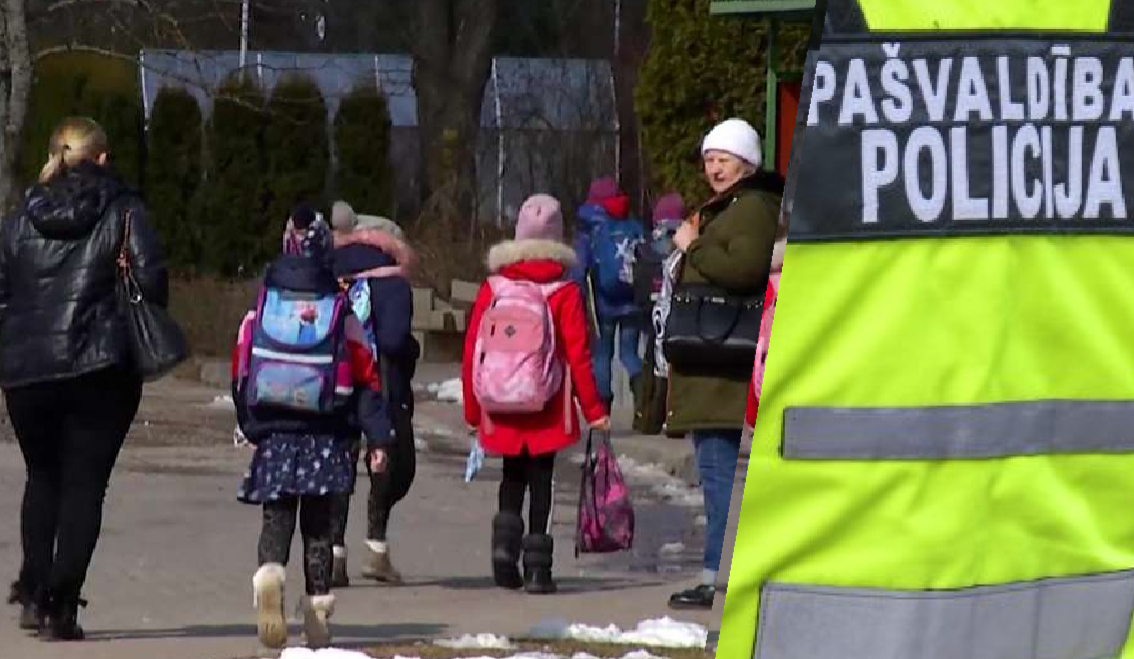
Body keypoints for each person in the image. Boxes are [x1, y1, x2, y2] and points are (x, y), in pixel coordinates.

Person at [0, 117, 168, 640]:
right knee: (84, 485)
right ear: (100, 159)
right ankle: (60, 606)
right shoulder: (123, 211)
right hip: (99, 366)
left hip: (27, 371)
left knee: (42, 476)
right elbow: (151, 279)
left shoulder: (19, 217)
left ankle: (32, 591)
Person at [233, 210, 392, 649]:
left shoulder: (265, 301)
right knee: (319, 527)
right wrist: (378, 437)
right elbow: (366, 379)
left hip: (277, 433)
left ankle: (269, 576)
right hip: (328, 435)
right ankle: (318, 606)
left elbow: (243, 368)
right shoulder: (340, 308)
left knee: (277, 515)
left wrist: (252, 424)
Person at [463, 194, 610, 594]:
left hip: (500, 401)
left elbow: (472, 350)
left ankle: (503, 550)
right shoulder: (564, 291)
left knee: (511, 476)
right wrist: (594, 409)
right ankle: (538, 571)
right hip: (547, 403)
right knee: (542, 481)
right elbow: (579, 357)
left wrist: (474, 410)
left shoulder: (494, 286)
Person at [665, 118, 782, 610]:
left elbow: (743, 269)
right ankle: (716, 572)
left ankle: (719, 577)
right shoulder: (725, 208)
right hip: (709, 360)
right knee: (715, 476)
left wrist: (692, 245)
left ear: (747, 163)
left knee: (720, 480)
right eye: (710, 159)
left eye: (724, 159)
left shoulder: (751, 208)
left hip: (723, 364)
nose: (714, 168)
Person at [330, 203, 419, 586]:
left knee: (341, 462)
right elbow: (396, 339)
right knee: (394, 464)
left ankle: (334, 555)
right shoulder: (393, 282)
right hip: (383, 386)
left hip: (337, 382)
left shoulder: (330, 274)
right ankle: (376, 547)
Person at [571, 177, 645, 410]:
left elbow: (578, 268)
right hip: (633, 302)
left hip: (602, 304)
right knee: (629, 355)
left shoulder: (590, 229)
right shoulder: (634, 226)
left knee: (602, 356)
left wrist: (576, 298)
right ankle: (645, 396)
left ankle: (603, 407)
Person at [632, 193, 685, 434]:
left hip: (654, 310)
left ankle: (650, 417)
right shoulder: (684, 240)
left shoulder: (651, 240)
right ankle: (672, 418)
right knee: (673, 365)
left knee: (654, 362)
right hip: (677, 312)